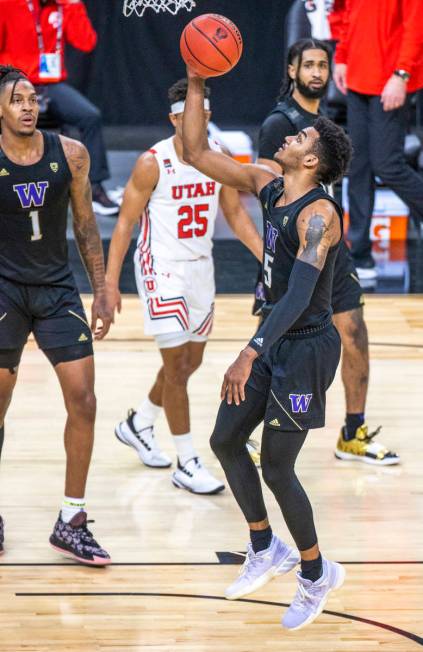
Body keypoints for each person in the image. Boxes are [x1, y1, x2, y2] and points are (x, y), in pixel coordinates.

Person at [182, 68, 351, 630]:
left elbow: (301, 294)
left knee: (278, 466)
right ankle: (264, 546)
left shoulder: (320, 217)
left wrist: (250, 350)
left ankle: (314, 572)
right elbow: (197, 152)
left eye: (301, 139)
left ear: (313, 161)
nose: (289, 136)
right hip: (273, 339)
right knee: (226, 438)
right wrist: (196, 81)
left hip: (305, 350)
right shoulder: (269, 184)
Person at [106, 79, 262, 495]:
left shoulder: (220, 157)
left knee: (188, 363)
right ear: (174, 117)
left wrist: (267, 254)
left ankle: (139, 422)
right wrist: (108, 282)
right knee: (177, 368)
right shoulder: (152, 162)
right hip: (161, 266)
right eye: (188, 113)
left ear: (207, 114)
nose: (197, 118)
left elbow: (235, 213)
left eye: (203, 112)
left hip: (200, 266)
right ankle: (187, 460)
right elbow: (123, 223)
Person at [256, 38, 399, 466]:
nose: (317, 73)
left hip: (331, 252)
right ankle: (254, 432)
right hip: (289, 251)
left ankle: (353, 432)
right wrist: (263, 248)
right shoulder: (279, 124)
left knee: (354, 332)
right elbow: (260, 189)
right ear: (291, 71)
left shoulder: (325, 124)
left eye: (323, 65)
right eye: (309, 65)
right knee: (278, 338)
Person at [0, 65, 113, 564]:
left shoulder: (71, 154)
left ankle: (71, 520)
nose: (28, 106)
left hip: (56, 291)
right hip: (3, 292)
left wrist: (103, 288)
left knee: (84, 399)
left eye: (32, 98)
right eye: (17, 99)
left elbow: (87, 226)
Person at [0, 0, 119, 215]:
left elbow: (86, 43)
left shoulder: (64, 6)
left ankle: (94, 188)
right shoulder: (9, 4)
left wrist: (73, 5)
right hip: (14, 81)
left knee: (90, 116)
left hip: (50, 86)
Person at [331, 0, 423, 278]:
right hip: (359, 76)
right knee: (357, 168)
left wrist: (402, 74)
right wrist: (342, 57)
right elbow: (348, 16)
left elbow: (415, 24)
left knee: (387, 165)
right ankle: (359, 254)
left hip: (391, 79)